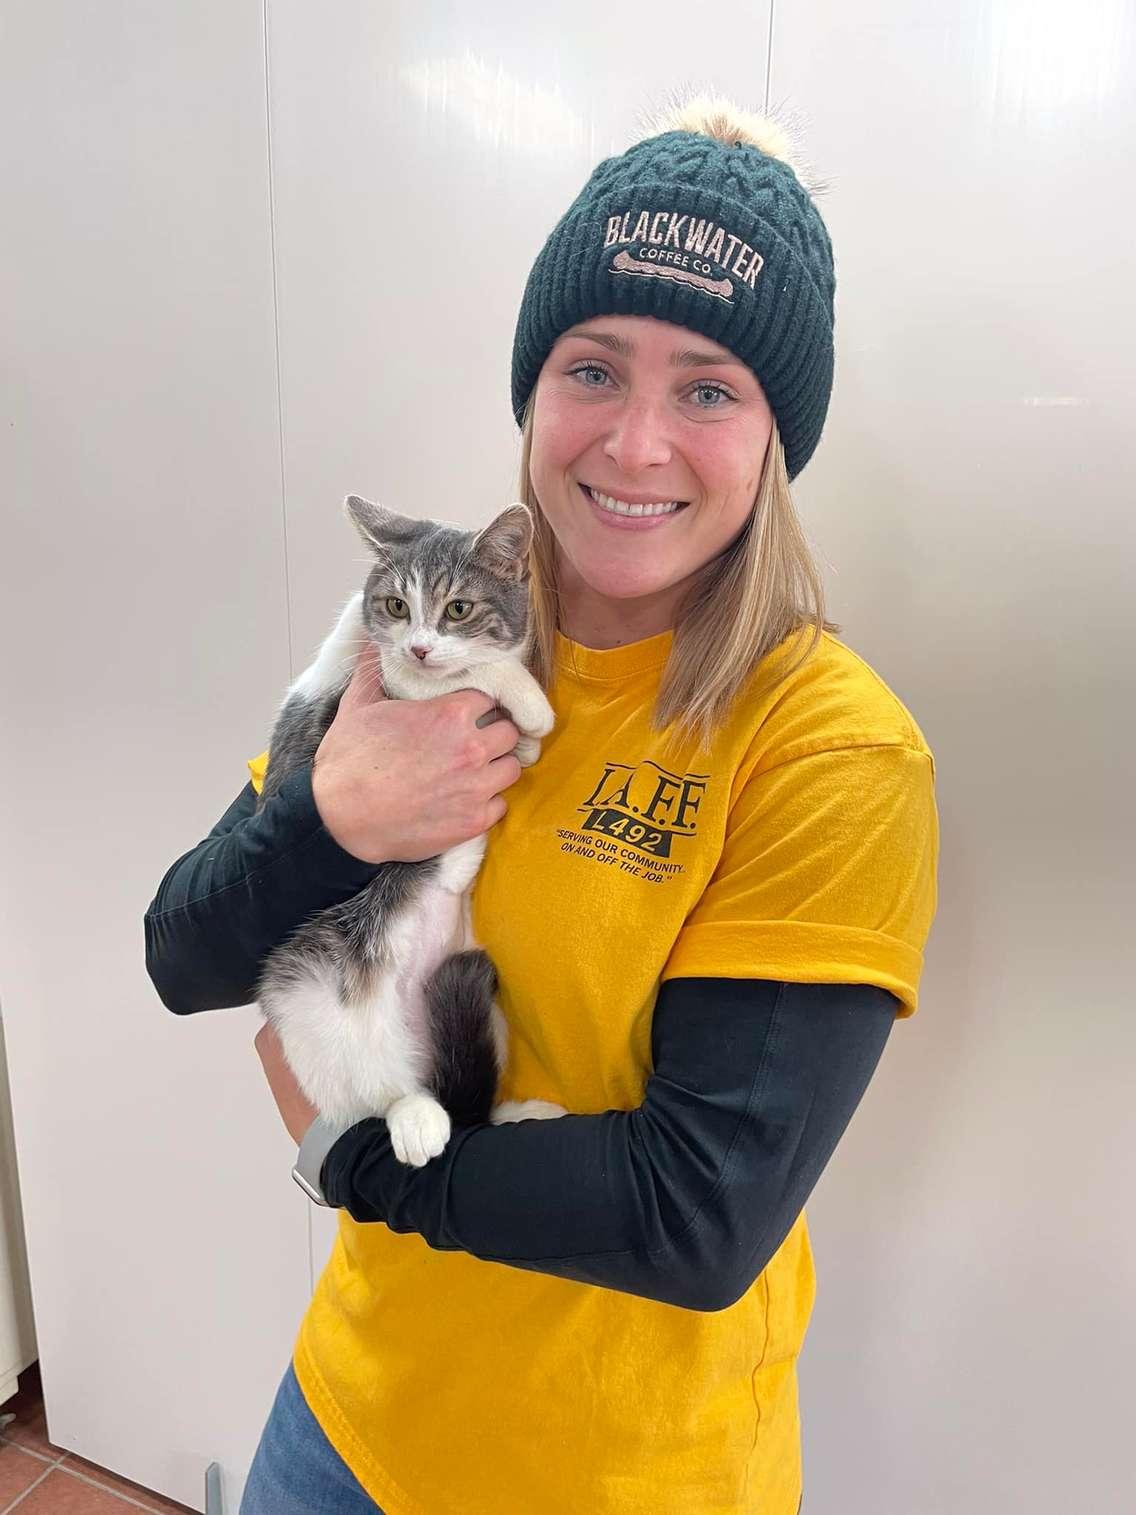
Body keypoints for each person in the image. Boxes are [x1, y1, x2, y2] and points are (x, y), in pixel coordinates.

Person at [145, 95, 938, 1515]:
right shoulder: (417, 644)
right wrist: (327, 819)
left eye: (708, 388)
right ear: (534, 390)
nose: (635, 444)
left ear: (776, 436)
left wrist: (353, 1160)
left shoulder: (828, 751)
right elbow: (183, 956)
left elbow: (697, 1216)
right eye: (593, 368)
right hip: (345, 1424)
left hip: (624, 1479)